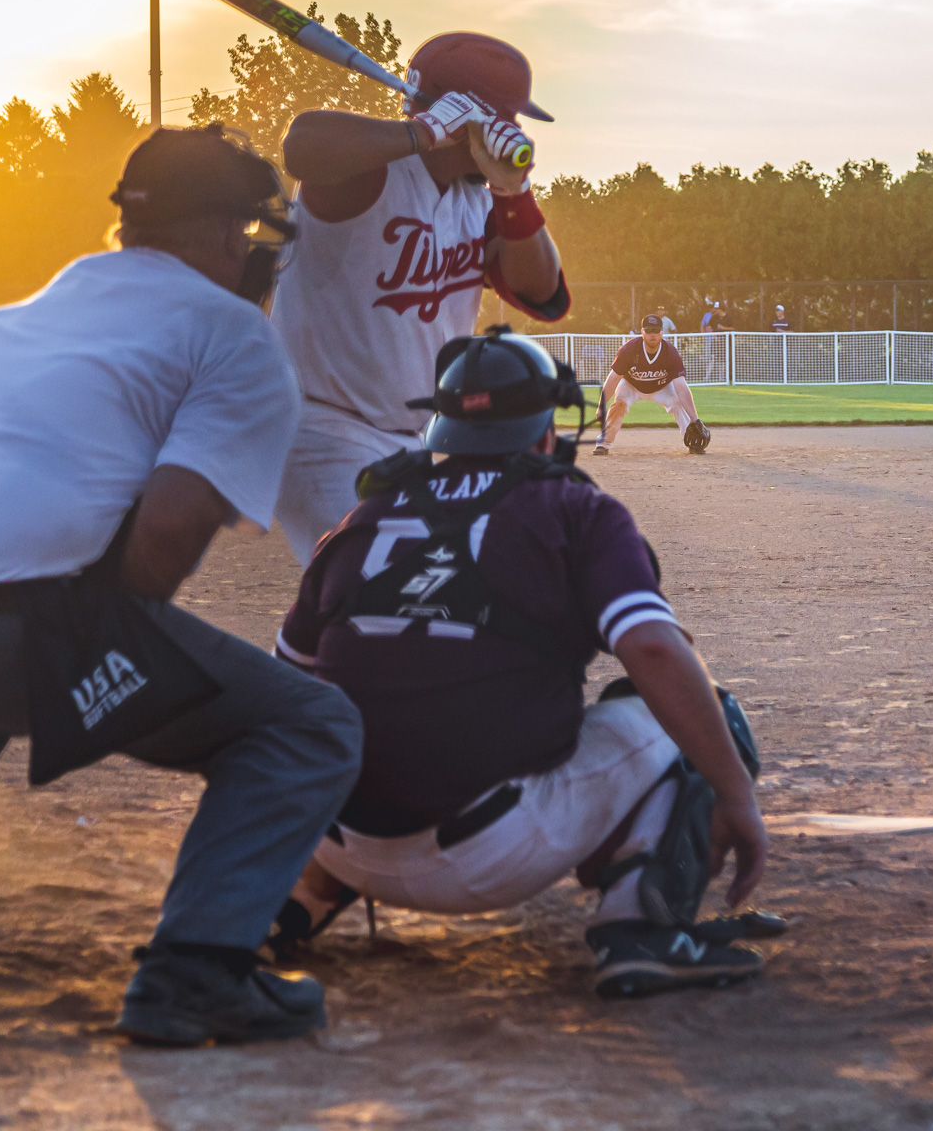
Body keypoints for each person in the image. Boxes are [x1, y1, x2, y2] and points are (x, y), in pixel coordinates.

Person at [0, 125, 363, 1044]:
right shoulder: (235, 332)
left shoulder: (44, 299)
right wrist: (95, 661)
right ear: (227, 235)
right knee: (309, 724)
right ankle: (198, 968)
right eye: (247, 231)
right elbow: (165, 538)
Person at [268, 330, 775, 997]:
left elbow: (287, 685)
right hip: (491, 855)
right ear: (545, 432)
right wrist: (736, 793)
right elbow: (653, 649)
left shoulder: (364, 515)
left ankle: (292, 901)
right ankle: (642, 930)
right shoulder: (574, 508)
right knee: (700, 708)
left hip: (335, 835)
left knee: (366, 714)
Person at [272, 31, 572, 565]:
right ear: (472, 117)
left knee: (436, 592)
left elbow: (541, 291)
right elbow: (303, 144)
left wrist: (515, 192)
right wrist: (423, 132)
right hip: (321, 428)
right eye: (508, 117)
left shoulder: (478, 200)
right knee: (386, 592)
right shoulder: (368, 173)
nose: (516, 132)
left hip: (415, 440)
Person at [595, 316, 711, 455]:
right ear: (642, 332)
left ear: (662, 332)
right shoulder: (629, 349)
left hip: (661, 387)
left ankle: (693, 443)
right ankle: (604, 443)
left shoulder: (670, 352)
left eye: (656, 331)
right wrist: (601, 405)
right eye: (648, 330)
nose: (652, 335)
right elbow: (613, 378)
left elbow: (681, 386)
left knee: (678, 402)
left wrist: (695, 419)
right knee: (619, 404)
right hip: (632, 385)